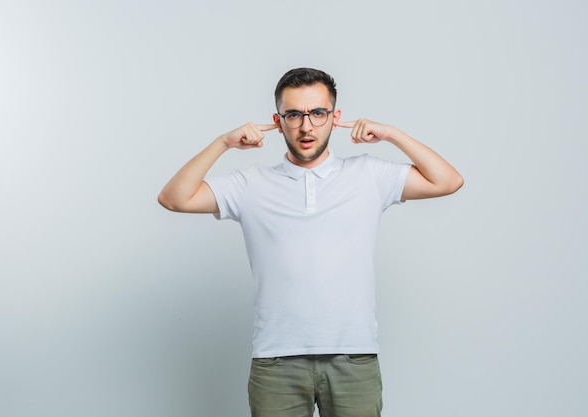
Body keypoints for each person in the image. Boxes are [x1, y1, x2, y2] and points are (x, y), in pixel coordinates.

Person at [158, 67, 463, 417]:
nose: (306, 127)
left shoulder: (368, 175)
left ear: (335, 117)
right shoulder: (251, 184)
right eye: (294, 115)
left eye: (318, 113)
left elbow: (448, 181)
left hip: (354, 357)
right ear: (278, 120)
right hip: (275, 362)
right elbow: (173, 198)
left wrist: (392, 134)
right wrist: (223, 143)